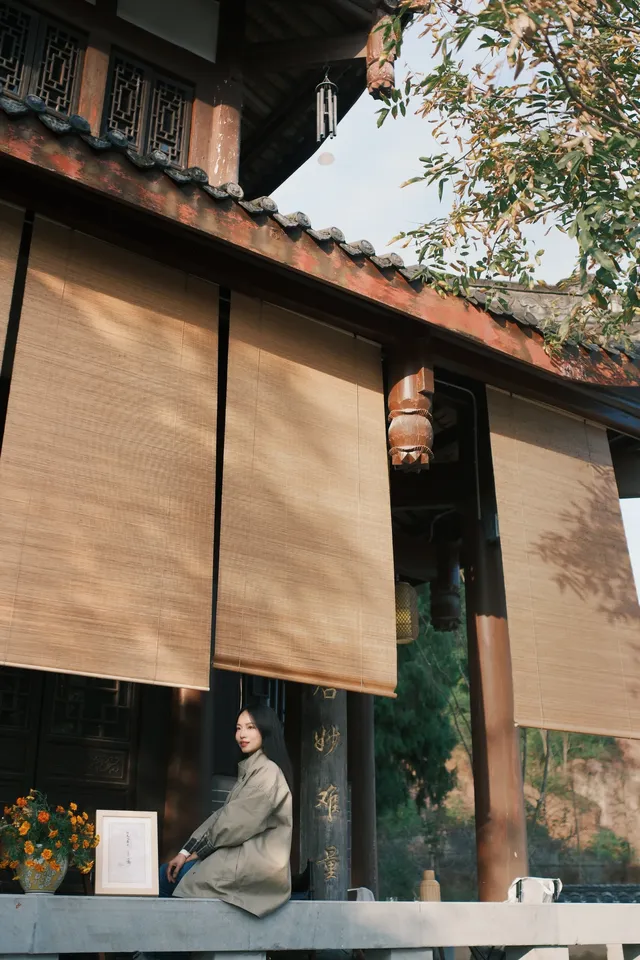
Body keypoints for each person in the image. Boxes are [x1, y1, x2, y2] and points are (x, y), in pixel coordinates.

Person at [160, 704, 293, 918]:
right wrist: (185, 853)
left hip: (255, 865)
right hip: (237, 856)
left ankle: (166, 951)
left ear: (265, 730)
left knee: (173, 879)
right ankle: (164, 950)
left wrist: (195, 855)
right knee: (169, 875)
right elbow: (221, 817)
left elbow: (234, 825)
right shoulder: (254, 770)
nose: (242, 734)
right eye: (238, 728)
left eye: (250, 727)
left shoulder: (267, 772)